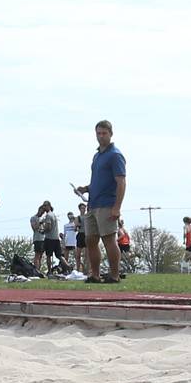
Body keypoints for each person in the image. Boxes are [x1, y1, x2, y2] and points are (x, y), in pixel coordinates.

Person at [75, 120, 126, 284]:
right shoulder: (97, 156)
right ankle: (95, 274)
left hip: (107, 204)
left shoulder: (115, 155)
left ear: (111, 134)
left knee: (109, 239)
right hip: (92, 204)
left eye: (104, 133)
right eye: (98, 133)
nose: (101, 136)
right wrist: (86, 188)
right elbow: (99, 180)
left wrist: (116, 207)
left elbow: (121, 182)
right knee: (90, 240)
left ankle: (114, 274)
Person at [42, 203, 63, 276]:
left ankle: (49, 271)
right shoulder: (53, 215)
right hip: (56, 238)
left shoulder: (48, 215)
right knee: (59, 255)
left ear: (49, 206)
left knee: (48, 255)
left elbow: (48, 227)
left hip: (49, 238)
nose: (44, 208)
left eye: (45, 206)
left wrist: (43, 231)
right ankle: (68, 267)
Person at [30, 205, 47, 271]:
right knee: (37, 255)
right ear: (39, 210)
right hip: (37, 239)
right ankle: (36, 270)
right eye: (42, 211)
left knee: (41, 256)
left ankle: (39, 270)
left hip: (44, 239)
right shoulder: (33, 218)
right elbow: (34, 228)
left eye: (44, 212)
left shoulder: (43, 218)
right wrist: (40, 223)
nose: (42, 213)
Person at [74, 203, 87, 273]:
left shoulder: (88, 216)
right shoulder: (78, 217)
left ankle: (86, 269)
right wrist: (76, 225)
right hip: (80, 235)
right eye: (82, 208)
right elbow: (75, 229)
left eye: (84, 208)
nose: (83, 209)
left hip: (87, 235)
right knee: (78, 254)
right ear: (79, 209)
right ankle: (78, 269)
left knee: (87, 254)